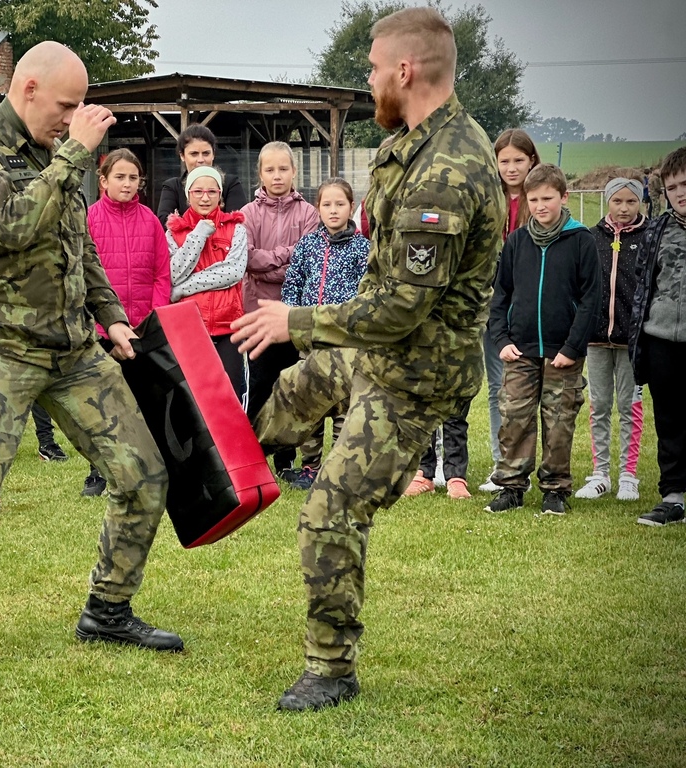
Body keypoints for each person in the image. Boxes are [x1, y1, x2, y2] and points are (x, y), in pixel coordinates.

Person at [230, 7, 504, 710]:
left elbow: (399, 308)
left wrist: (298, 319)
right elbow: (380, 291)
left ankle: (331, 667)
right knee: (290, 393)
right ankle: (224, 480)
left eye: (375, 69)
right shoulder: (405, 146)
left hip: (414, 374)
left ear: (405, 71)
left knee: (331, 509)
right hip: (376, 351)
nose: (371, 79)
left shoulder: (448, 170)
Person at [0, 41, 182, 685]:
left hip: (74, 350)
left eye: (80, 108)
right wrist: (74, 153)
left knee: (143, 474)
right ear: (26, 89)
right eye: (67, 106)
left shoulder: (57, 155)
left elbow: (80, 250)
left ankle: (108, 608)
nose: (74, 118)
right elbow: (17, 225)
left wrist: (110, 316)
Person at [486, 163, 602, 516]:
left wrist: (572, 347)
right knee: (515, 417)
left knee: (559, 421)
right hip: (519, 349)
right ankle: (511, 487)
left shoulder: (581, 240)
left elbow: (590, 298)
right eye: (534, 199)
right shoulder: (517, 241)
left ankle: (555, 488)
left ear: (563, 197)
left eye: (548, 198)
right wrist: (501, 337)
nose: (541, 206)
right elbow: (500, 294)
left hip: (561, 353)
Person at [81, 147, 171, 497]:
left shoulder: (149, 220)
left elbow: (162, 274)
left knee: (142, 402)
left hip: (140, 328)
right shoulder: (89, 219)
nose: (127, 183)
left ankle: (146, 467)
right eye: (120, 177)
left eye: (133, 178)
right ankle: (99, 472)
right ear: (103, 181)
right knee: (102, 405)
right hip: (101, 330)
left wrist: (152, 318)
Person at [280, 177, 369, 491]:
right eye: (327, 204)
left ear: (351, 207)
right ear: (317, 209)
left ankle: (341, 469)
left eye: (340, 204)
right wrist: (293, 322)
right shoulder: (307, 245)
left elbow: (367, 294)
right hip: (311, 342)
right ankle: (310, 468)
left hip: (346, 344)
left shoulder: (363, 248)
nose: (333, 210)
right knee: (311, 406)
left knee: (345, 408)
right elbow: (292, 286)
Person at [241, 141, 319, 483]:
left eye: (283, 169)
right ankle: (251, 459)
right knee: (258, 387)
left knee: (291, 388)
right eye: (270, 169)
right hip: (257, 315)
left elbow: (305, 263)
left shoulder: (310, 214)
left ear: (294, 172)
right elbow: (247, 259)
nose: (277, 175)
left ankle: (286, 462)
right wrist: (286, 257)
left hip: (294, 317)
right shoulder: (246, 214)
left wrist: (270, 261)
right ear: (260, 173)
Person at [576, 177, 647, 502]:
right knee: (599, 406)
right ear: (607, 202)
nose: (623, 208)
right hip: (596, 339)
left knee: (629, 406)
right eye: (617, 201)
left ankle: (628, 475)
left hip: (632, 341)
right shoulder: (591, 238)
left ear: (640, 203)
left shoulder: (648, 238)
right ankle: (600, 473)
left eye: (630, 202)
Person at [479, 128, 541, 493]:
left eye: (519, 160)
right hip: (494, 309)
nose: (512, 167)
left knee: (531, 392)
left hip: (532, 310)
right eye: (505, 161)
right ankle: (502, 463)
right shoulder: (490, 201)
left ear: (532, 160)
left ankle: (533, 464)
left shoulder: (540, 202)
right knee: (498, 387)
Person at [629, 146, 686, 527]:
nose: (680, 192)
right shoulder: (656, 230)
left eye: (685, 184)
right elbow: (641, 284)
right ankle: (673, 497)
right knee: (669, 420)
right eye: (672, 187)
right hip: (662, 339)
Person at [167, 166, 249, 398]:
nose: (205, 198)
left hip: (228, 325)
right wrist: (199, 234)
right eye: (198, 191)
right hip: (191, 325)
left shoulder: (236, 228)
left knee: (230, 394)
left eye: (212, 192)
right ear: (188, 195)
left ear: (220, 195)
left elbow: (233, 271)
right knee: (194, 397)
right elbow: (173, 273)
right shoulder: (174, 233)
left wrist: (184, 288)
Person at [156, 124, 246, 222]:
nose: (200, 160)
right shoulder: (172, 187)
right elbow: (164, 223)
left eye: (206, 153)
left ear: (213, 154)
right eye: (194, 154)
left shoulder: (231, 184)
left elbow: (237, 222)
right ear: (182, 155)